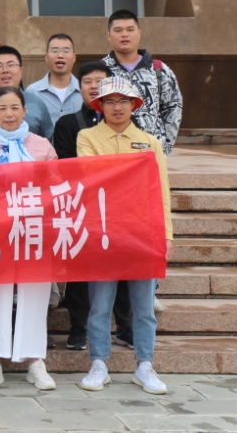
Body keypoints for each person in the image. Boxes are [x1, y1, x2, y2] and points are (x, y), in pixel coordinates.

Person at [77, 76, 174, 395]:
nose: (117, 107)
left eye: (123, 101)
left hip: (143, 233)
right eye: (110, 102)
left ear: (133, 105)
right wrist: (130, 171)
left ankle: (145, 364)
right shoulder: (87, 137)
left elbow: (161, 190)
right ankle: (98, 363)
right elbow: (92, 176)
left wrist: (167, 234)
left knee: (143, 306)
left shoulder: (150, 142)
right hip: (103, 230)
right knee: (100, 304)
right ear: (100, 106)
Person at [0, 86, 59, 392]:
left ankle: (35, 360)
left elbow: (56, 185)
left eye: (14, 108)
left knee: (35, 291)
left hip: (34, 228)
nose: (9, 114)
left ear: (25, 111)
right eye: (2, 108)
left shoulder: (42, 146)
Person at [53, 62, 134, 351]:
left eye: (101, 82)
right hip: (82, 207)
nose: (94, 87)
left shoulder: (131, 128)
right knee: (81, 270)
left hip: (121, 208)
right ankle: (79, 327)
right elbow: (65, 166)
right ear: (80, 87)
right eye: (88, 82)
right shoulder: (68, 124)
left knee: (123, 268)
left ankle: (125, 326)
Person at [102, 9, 183, 156]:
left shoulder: (159, 69)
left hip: (151, 153)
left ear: (139, 33)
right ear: (108, 35)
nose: (124, 34)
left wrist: (165, 147)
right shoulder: (100, 71)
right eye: (118, 30)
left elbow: (173, 107)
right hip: (112, 153)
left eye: (130, 30)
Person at [0, 46, 55, 141]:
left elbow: (48, 140)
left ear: (21, 71)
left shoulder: (37, 103)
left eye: (11, 65)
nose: (5, 70)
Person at [25, 33, 83, 125]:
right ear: (46, 57)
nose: (60, 55)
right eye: (54, 51)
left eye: (66, 51)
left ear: (74, 58)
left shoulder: (84, 91)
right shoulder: (32, 92)